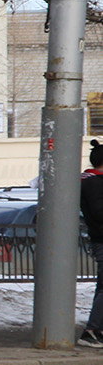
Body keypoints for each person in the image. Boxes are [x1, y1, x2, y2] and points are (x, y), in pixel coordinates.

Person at [79, 140, 103, 348]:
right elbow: (98, 212)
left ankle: (96, 329)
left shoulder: (90, 180)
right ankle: (91, 330)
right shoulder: (94, 182)